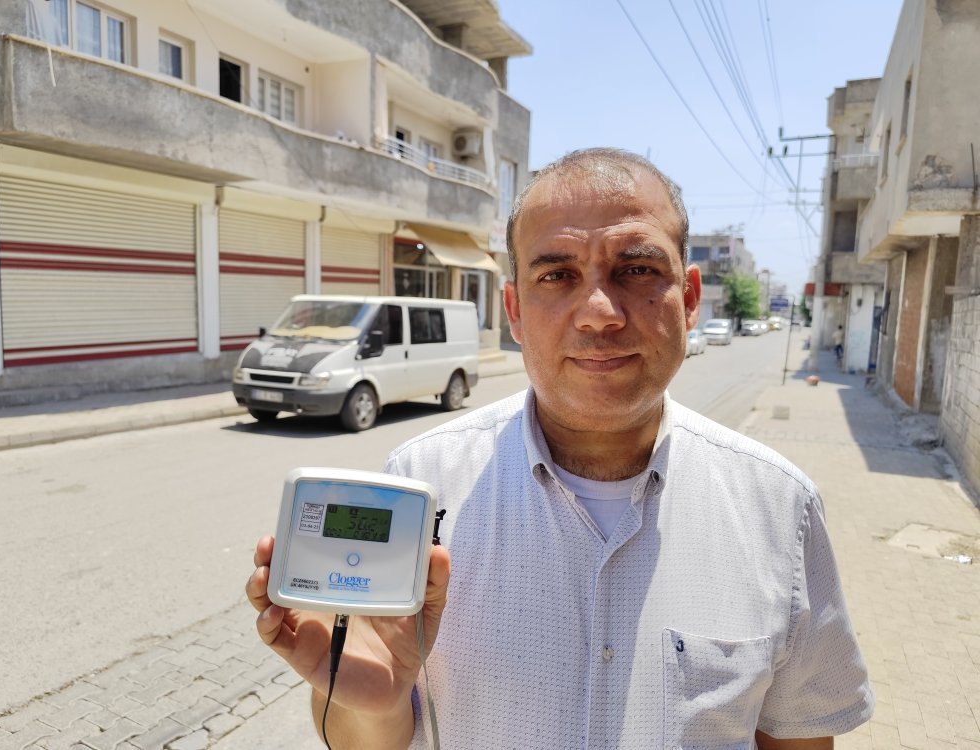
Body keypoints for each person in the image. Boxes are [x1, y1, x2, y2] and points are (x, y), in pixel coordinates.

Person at [247, 148, 874, 749]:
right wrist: (374, 705)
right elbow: (364, 737)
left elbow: (798, 737)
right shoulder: (421, 483)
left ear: (687, 298)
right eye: (557, 275)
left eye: (636, 270)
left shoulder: (780, 509)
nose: (599, 312)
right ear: (515, 311)